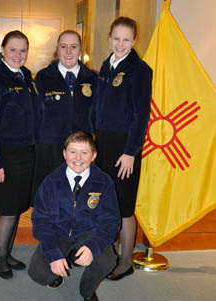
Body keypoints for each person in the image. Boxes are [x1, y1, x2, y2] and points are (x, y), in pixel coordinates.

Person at [28, 131, 121, 301]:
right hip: (59, 233)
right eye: (72, 152)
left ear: (93, 156)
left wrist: (94, 246)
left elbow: (111, 221)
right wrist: (53, 253)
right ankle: (59, 270)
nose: (78, 157)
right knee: (38, 272)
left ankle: (87, 291)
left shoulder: (104, 182)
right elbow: (41, 221)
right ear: (64, 154)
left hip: (88, 232)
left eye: (84, 152)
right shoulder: (51, 182)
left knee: (107, 260)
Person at [95, 17, 152, 280]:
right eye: (116, 38)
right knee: (106, 201)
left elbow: (141, 116)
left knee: (125, 206)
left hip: (125, 147)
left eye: (126, 39)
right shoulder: (106, 66)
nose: (120, 44)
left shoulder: (140, 70)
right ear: (109, 37)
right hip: (103, 143)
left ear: (134, 41)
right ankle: (108, 256)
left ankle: (126, 260)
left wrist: (131, 151)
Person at [0, 30, 36, 279]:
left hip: (26, 154)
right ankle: (1, 259)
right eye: (13, 49)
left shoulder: (25, 75)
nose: (18, 55)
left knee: (17, 208)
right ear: (2, 50)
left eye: (23, 50)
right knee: (7, 211)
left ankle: (9, 253)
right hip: (4, 157)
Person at [32, 30, 97, 201]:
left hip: (80, 152)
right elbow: (35, 115)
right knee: (49, 200)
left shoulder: (92, 78)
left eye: (73, 46)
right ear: (57, 49)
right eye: (64, 46)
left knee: (79, 199)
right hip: (49, 150)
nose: (68, 51)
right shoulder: (43, 77)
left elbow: (96, 115)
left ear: (81, 49)